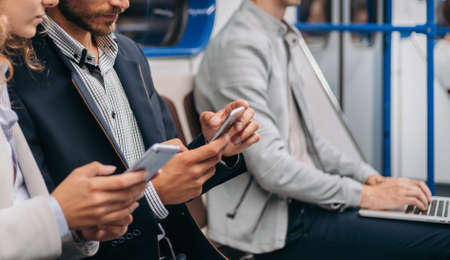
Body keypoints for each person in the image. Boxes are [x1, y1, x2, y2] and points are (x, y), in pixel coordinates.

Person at [194, 0, 450, 259]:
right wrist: (366, 196)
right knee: (443, 239)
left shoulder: (279, 36)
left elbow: (312, 143)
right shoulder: (239, 47)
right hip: (276, 225)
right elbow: (272, 170)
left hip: (304, 205)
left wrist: (370, 179)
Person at [8, 0, 259, 259]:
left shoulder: (129, 53)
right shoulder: (18, 73)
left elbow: (170, 172)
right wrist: (153, 196)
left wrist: (213, 147)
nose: (123, 3)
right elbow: (47, 219)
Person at [0, 0, 151, 259]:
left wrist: (73, 228)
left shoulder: (131, 53)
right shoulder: (27, 71)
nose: (50, 1)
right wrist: (57, 214)